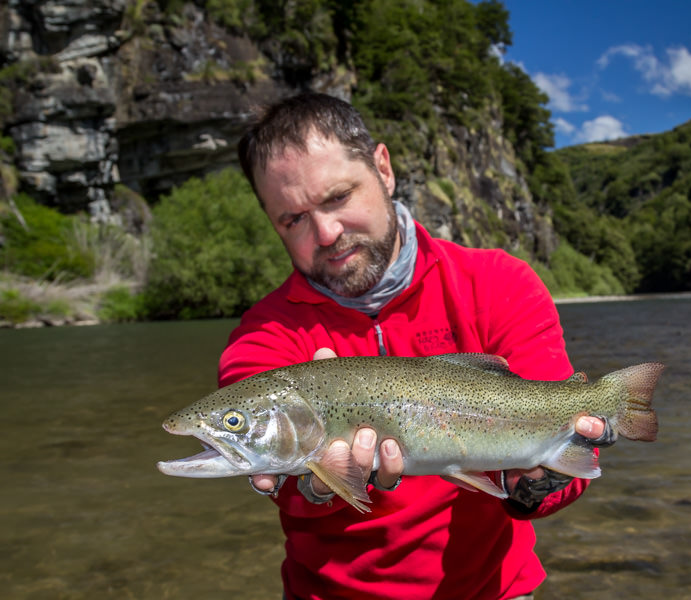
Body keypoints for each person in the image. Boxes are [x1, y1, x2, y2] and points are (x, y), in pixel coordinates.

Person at [222, 92, 612, 600]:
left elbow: (562, 465)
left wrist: (532, 483)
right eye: (292, 219)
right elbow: (286, 493)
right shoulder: (261, 339)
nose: (326, 232)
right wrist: (319, 487)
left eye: (338, 196)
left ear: (383, 169)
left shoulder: (499, 284)